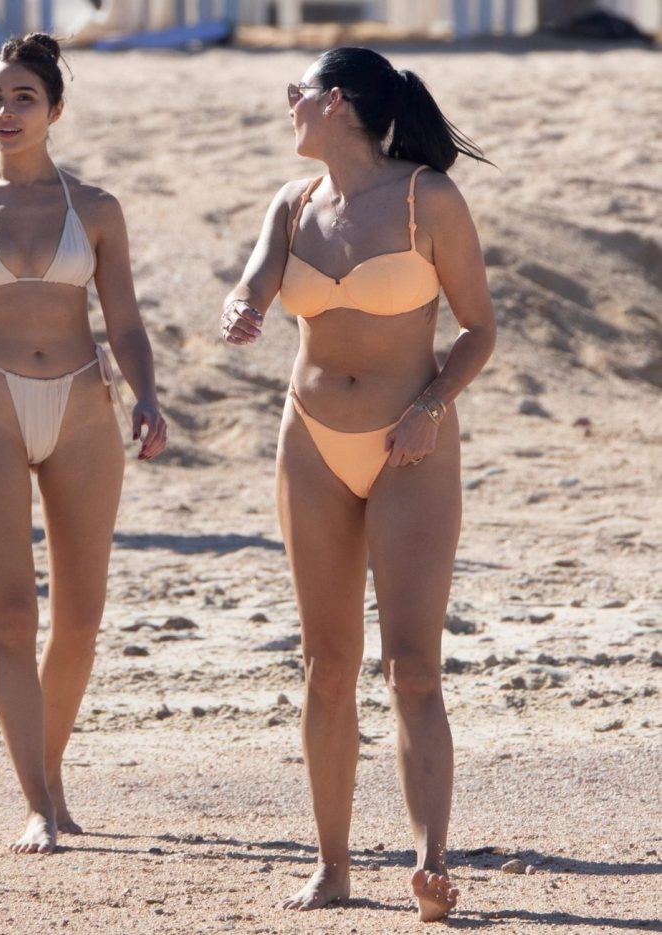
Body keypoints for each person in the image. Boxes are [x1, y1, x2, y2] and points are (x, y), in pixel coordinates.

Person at [221, 47, 496, 921]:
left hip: (411, 445)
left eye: (296, 91)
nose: (288, 103)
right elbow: (256, 280)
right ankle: (332, 865)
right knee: (326, 664)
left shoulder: (428, 199)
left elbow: (479, 329)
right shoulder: (294, 202)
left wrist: (430, 407)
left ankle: (431, 863)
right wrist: (243, 307)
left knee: (411, 666)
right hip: (310, 441)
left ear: (335, 102)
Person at [0, 33, 167, 855]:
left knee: (80, 620)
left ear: (55, 110)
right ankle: (38, 804)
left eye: (23, 98)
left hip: (83, 409)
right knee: (12, 615)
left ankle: (48, 772)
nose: (6, 111)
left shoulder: (97, 208)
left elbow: (124, 320)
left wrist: (149, 394)